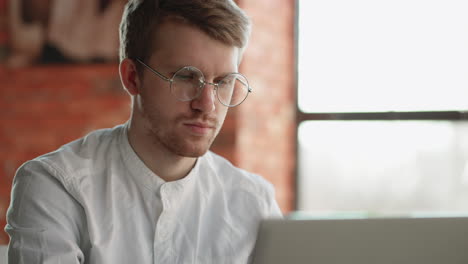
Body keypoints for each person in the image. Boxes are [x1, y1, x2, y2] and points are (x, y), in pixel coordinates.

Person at [5, 0, 282, 263]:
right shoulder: (56, 186)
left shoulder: (254, 201)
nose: (207, 104)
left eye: (223, 81)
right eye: (185, 76)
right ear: (132, 78)